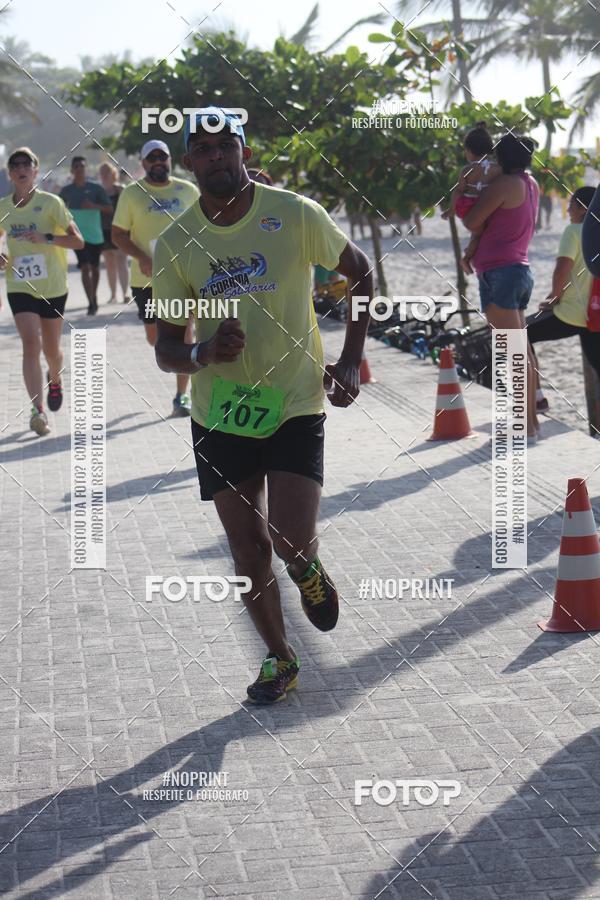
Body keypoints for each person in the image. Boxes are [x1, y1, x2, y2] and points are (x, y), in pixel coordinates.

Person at [153, 106, 372, 704]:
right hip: (220, 410)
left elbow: (360, 273)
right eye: (202, 149)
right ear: (189, 161)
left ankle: (307, 570)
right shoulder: (174, 243)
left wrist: (351, 358)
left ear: (245, 151)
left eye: (226, 147)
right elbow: (167, 350)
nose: (215, 157)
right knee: (247, 546)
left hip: (296, 400)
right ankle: (280, 659)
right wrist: (203, 354)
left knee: (289, 538)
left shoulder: (294, 214)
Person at [112, 139, 199, 417]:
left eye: (163, 157)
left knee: (186, 334)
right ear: (144, 164)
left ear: (170, 160)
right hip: (146, 279)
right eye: (153, 158)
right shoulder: (132, 194)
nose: (159, 162)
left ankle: (181, 396)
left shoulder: (188, 190)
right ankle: (173, 354)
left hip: (185, 276)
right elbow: (117, 235)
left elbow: (206, 226)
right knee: (157, 338)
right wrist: (143, 258)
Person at [0, 147, 84, 435]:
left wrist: (46, 237)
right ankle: (38, 412)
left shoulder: (52, 204)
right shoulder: (2, 208)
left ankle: (56, 377)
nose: (21, 168)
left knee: (51, 350)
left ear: (36, 171)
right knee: (30, 344)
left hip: (53, 286)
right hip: (19, 285)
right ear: (10, 173)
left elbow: (78, 242)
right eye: (16, 165)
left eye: (27, 164)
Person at [463, 132, 540, 442]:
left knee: (513, 354)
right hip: (517, 270)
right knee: (522, 352)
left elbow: (472, 220)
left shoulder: (505, 185)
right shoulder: (530, 183)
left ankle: (525, 424)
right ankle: (530, 423)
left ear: (503, 158)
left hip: (501, 272)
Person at [528, 187, 600, 409]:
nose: (568, 210)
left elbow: (562, 269)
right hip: (596, 316)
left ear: (583, 209)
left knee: (518, 334)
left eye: (572, 205)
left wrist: (554, 297)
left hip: (574, 315)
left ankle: (536, 398)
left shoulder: (574, 231)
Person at [442, 122, 502, 272]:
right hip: (489, 207)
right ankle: (468, 257)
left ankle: (466, 259)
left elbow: (459, 191)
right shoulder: (498, 168)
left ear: (469, 151)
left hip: (468, 207)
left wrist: (452, 209)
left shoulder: (467, 170)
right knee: (479, 235)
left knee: (476, 235)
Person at [59, 156, 112, 315]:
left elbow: (109, 209)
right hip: (77, 235)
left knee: (95, 268)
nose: (79, 169)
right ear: (72, 170)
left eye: (82, 166)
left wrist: (93, 206)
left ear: (86, 169)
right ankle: (90, 301)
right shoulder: (67, 190)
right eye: (76, 166)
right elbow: (57, 209)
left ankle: (94, 296)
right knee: (85, 267)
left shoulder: (96, 189)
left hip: (95, 234)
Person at [99, 162, 130, 304]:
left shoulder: (121, 190)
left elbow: (128, 210)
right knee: (109, 263)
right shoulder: (98, 191)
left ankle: (125, 293)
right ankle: (113, 295)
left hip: (120, 229)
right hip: (103, 230)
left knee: (121, 261)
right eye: (102, 173)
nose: (105, 176)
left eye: (108, 173)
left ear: (114, 174)